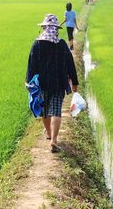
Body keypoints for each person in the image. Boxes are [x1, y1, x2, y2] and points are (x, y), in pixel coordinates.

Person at [26, 14, 79, 153]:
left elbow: (31, 66)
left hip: (42, 85)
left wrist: (28, 82)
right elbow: (70, 64)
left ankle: (49, 134)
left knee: (45, 112)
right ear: (56, 29)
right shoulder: (61, 44)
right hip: (59, 83)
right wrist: (75, 82)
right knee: (56, 111)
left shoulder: (36, 44)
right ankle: (54, 140)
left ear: (44, 28)